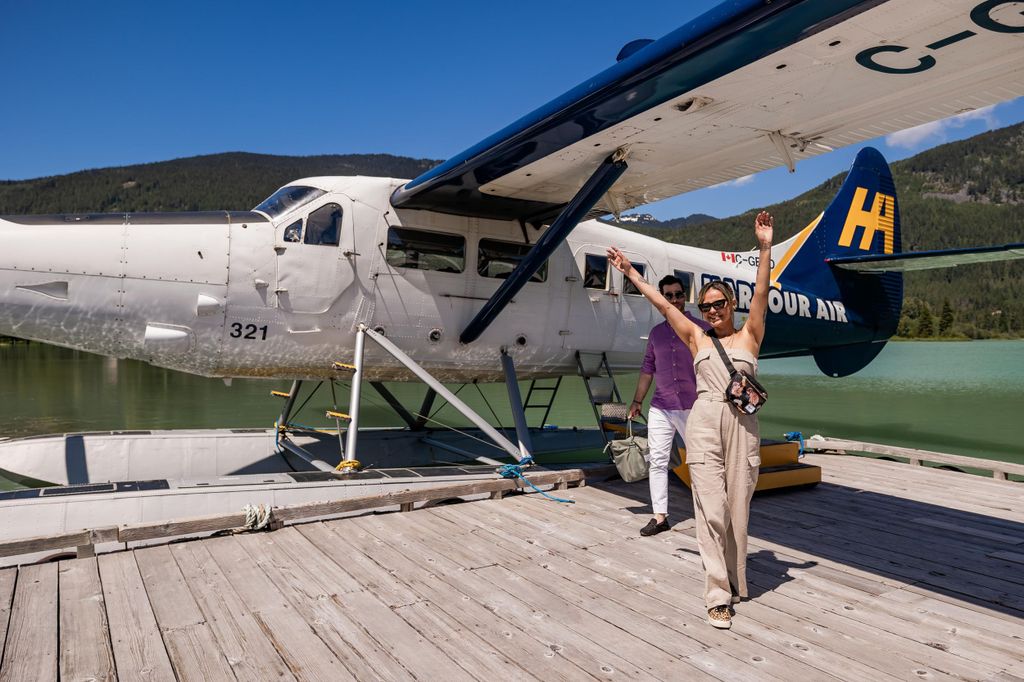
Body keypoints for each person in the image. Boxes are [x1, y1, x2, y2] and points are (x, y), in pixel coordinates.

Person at [607, 210, 774, 630]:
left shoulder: (750, 334)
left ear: (731, 306)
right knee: (710, 509)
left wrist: (765, 248)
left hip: (742, 427)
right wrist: (630, 273)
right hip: (703, 422)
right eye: (706, 306)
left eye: (719, 304)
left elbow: (761, 291)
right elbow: (663, 303)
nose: (712, 310)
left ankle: (737, 581)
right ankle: (717, 593)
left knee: (738, 510)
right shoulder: (696, 335)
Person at [628, 275, 706, 538]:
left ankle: (709, 514)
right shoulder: (656, 334)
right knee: (658, 462)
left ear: (685, 296)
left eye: (678, 294)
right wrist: (637, 401)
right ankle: (660, 517)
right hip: (661, 406)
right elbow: (647, 369)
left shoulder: (700, 328)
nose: (674, 300)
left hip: (694, 407)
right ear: (661, 298)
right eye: (668, 295)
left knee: (701, 462)